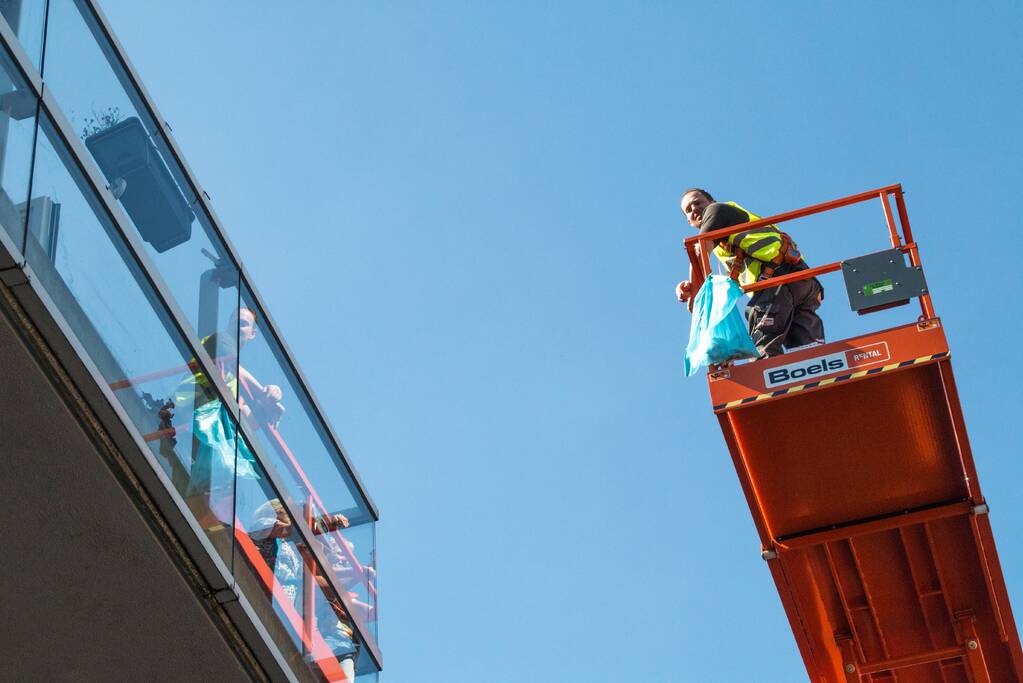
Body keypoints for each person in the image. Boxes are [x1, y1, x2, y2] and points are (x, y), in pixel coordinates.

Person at [675, 188, 825, 358]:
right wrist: (691, 286)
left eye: (697, 202)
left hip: (778, 280)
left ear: (711, 202)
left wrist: (695, 296)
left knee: (762, 347)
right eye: (688, 209)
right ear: (689, 221)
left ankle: (769, 379)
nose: (694, 209)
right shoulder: (725, 240)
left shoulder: (716, 210)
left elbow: (698, 251)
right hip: (802, 280)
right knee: (810, 352)